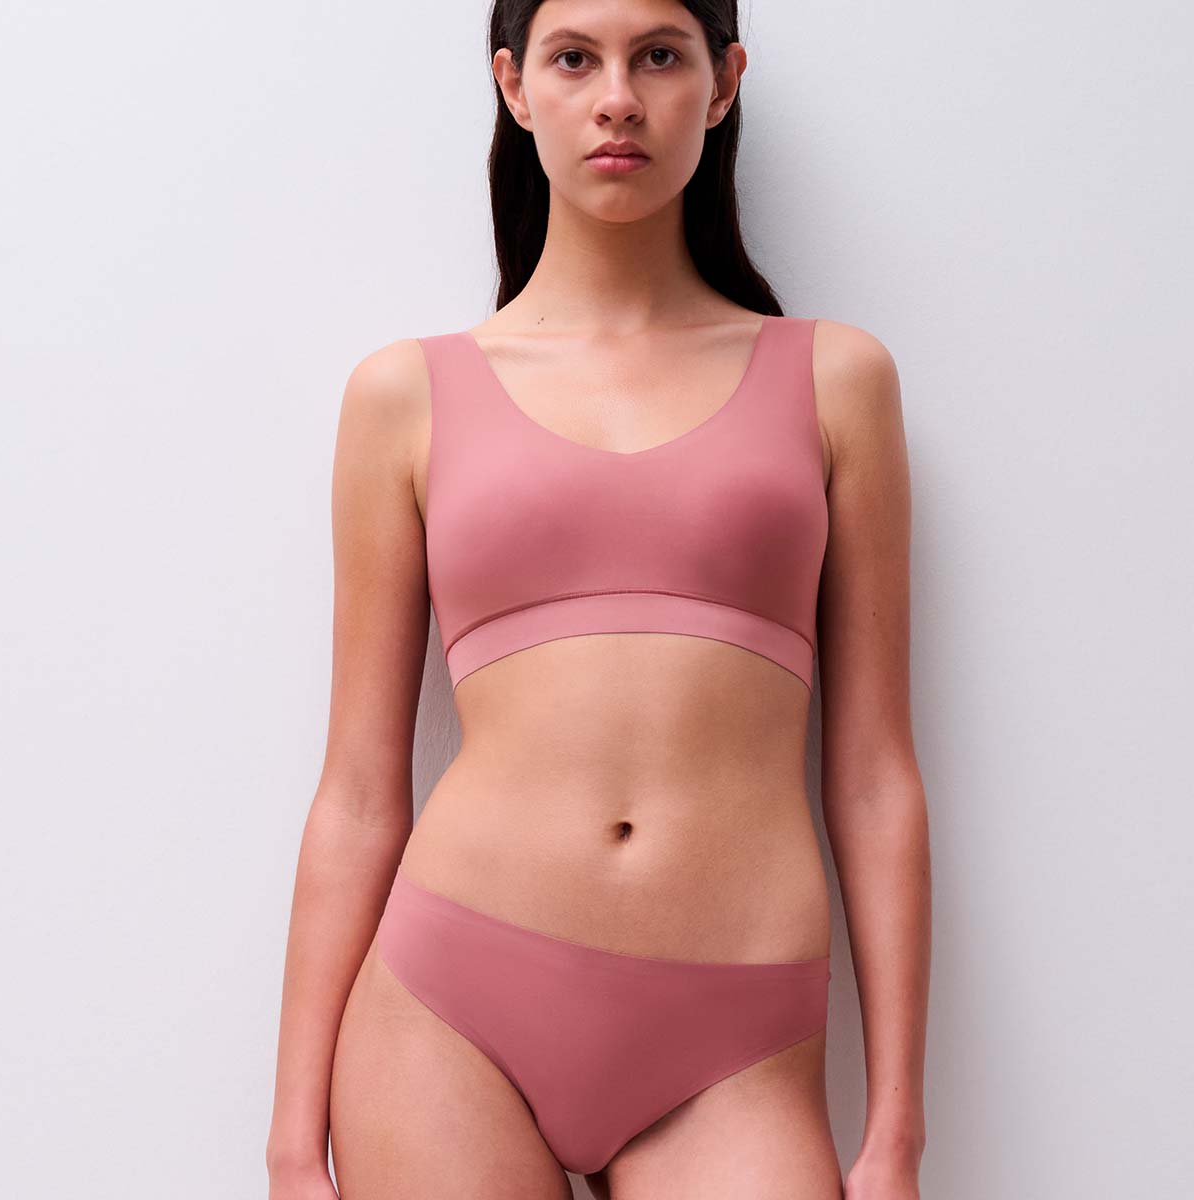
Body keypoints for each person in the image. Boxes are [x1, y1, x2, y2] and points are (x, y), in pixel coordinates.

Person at [266, 3, 930, 1198]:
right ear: (515, 86)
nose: (617, 98)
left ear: (723, 83)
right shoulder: (405, 396)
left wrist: (896, 1133)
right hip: (447, 1012)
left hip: (736, 1039)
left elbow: (876, 778)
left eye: (659, 56)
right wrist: (288, 1142)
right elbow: (359, 791)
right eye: (575, 58)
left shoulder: (836, 381)